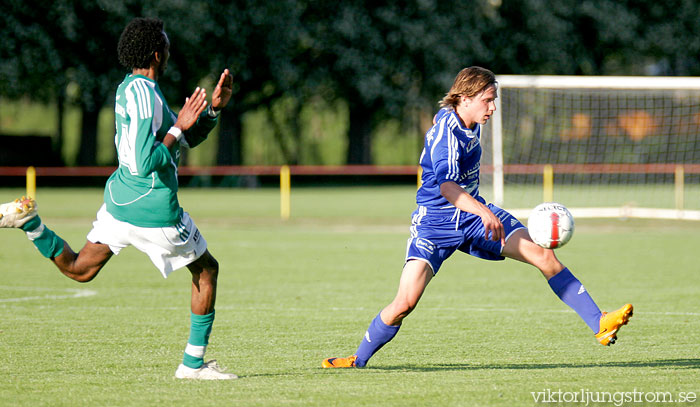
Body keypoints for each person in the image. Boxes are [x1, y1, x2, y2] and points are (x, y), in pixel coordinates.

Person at [322, 66, 633, 369]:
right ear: (465, 98)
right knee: (404, 303)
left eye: (494, 99)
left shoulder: (463, 117)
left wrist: (480, 210)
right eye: (488, 99)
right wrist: (484, 210)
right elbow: (446, 187)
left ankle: (600, 322)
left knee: (543, 255)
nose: (493, 107)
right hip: (436, 224)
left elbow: (442, 116)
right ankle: (358, 359)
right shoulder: (447, 138)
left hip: (473, 216)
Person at [0, 17, 237, 380]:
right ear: (158, 54)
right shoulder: (145, 95)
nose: (170, 50)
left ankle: (31, 225)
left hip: (120, 202)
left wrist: (212, 111)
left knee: (80, 269)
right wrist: (178, 127)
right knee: (206, 270)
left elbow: (180, 142)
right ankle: (192, 365)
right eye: (168, 45)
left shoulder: (134, 88)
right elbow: (147, 161)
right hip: (153, 207)